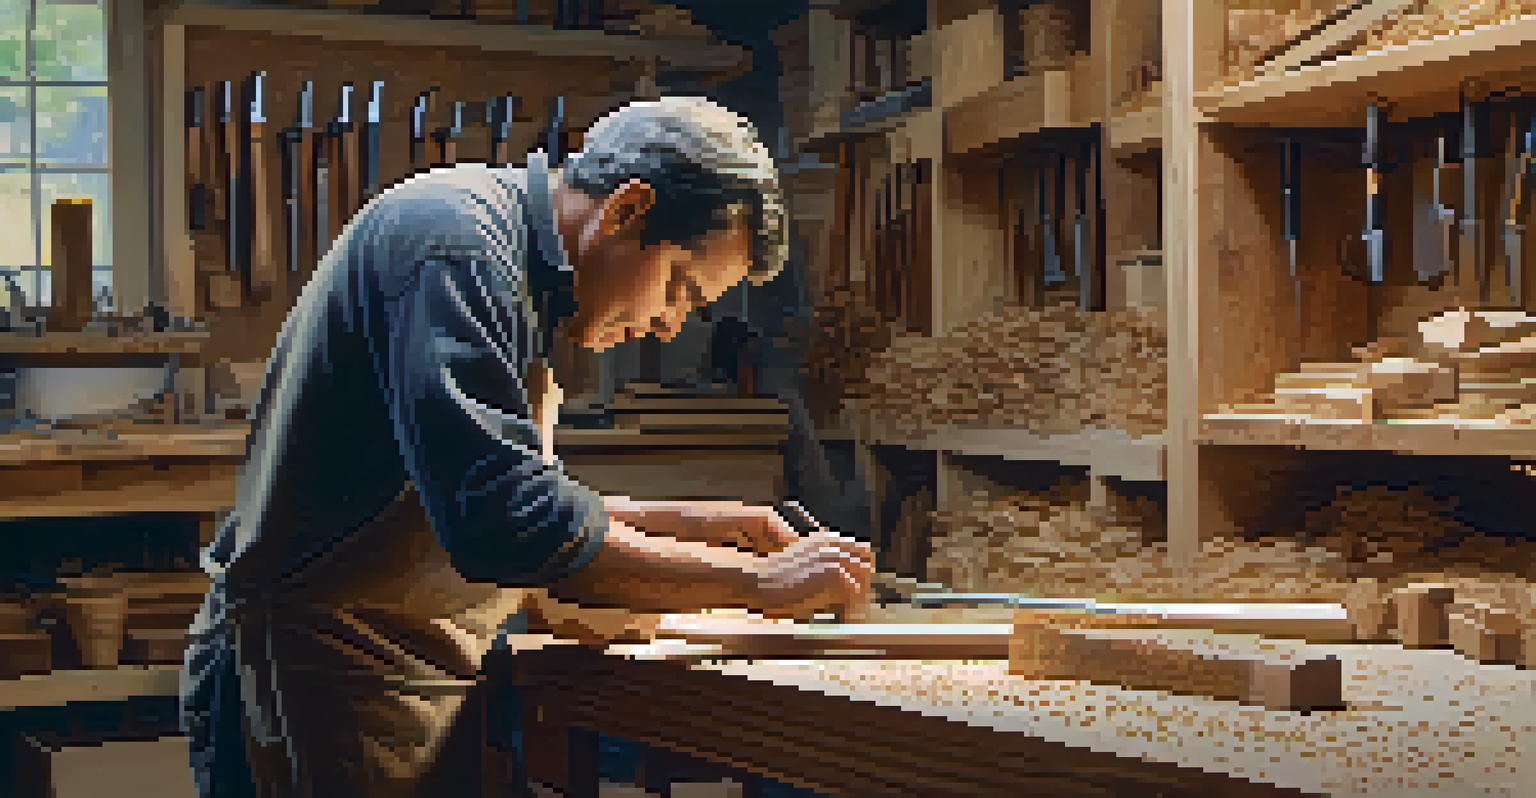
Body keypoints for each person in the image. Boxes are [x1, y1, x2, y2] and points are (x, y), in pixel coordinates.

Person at [180, 96, 874, 798]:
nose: (669, 326)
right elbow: (503, 521)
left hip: (391, 670)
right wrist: (756, 585)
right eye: (678, 288)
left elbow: (488, 487)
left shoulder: (517, 269)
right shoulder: (456, 244)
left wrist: (697, 523)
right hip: (319, 678)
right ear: (628, 210)